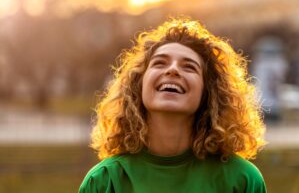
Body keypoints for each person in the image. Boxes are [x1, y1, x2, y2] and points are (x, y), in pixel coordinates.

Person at [79, 17, 267, 193]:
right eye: (160, 63)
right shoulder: (105, 181)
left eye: (189, 67)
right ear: (139, 85)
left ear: (208, 92)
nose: (173, 70)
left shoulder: (241, 179)